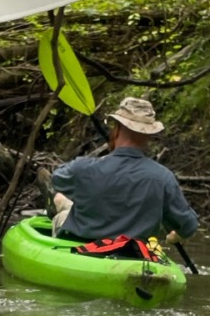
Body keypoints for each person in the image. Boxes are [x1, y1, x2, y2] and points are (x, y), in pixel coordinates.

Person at [48, 96, 198, 248]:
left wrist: (94, 162)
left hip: (82, 251)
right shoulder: (164, 177)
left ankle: (63, 206)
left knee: (61, 212)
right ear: (149, 135)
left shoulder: (83, 168)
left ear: (117, 128)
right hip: (132, 255)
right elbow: (189, 226)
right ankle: (65, 205)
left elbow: (57, 179)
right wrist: (174, 237)